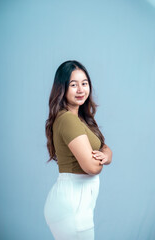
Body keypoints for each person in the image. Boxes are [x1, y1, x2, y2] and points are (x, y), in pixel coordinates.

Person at [44, 60, 112, 240]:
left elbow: (105, 147)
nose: (81, 89)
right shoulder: (68, 120)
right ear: (62, 88)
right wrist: (102, 160)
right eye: (73, 85)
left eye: (84, 83)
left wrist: (104, 155)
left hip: (77, 204)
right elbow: (91, 167)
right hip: (72, 206)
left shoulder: (80, 119)